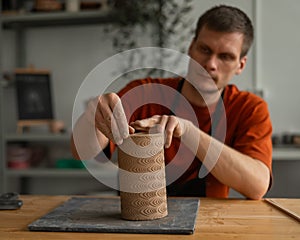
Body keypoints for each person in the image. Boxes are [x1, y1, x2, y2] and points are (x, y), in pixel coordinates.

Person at [71, 5, 272, 199]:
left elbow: (257, 187)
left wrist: (188, 131)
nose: (211, 64)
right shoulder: (144, 93)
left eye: (225, 57)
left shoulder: (249, 108)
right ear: (191, 47)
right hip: (138, 222)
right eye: (204, 49)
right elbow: (83, 152)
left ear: (240, 65)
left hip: (209, 223)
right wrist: (92, 118)